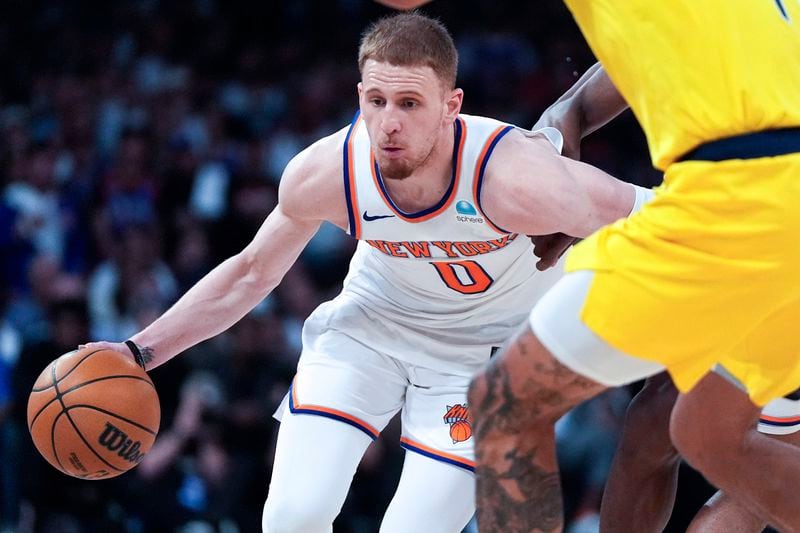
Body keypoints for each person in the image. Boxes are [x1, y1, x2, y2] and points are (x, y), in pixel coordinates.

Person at [81, 12, 653, 533]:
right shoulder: (327, 172)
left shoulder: (517, 177)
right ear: (359, 95)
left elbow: (665, 215)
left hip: (485, 360)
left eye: (410, 104)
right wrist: (138, 352)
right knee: (290, 518)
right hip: (370, 328)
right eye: (376, 101)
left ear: (452, 106)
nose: (389, 124)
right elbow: (249, 274)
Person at [469, 1, 800, 531]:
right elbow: (677, 37)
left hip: (746, 194)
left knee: (508, 403)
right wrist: (572, 106)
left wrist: (568, 127)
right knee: (697, 433)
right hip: (762, 203)